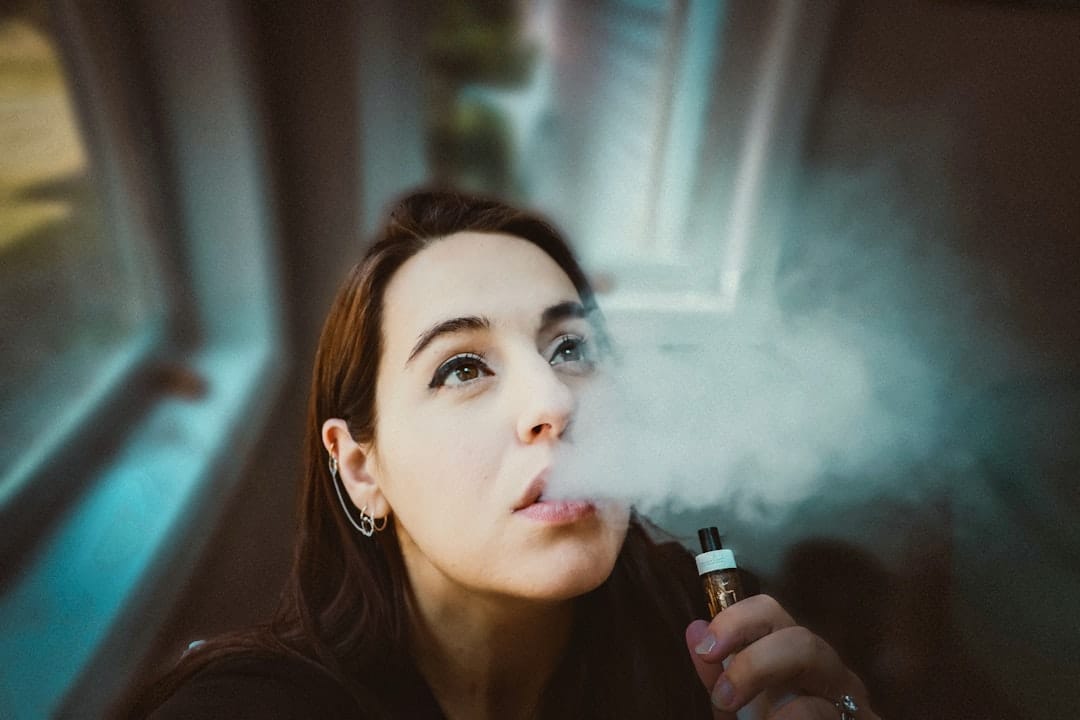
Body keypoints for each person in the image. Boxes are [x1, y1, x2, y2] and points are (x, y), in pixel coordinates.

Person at [131, 189, 877, 719]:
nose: (553, 402)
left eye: (570, 348)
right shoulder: (258, 707)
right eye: (462, 367)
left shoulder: (707, 624)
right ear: (362, 469)